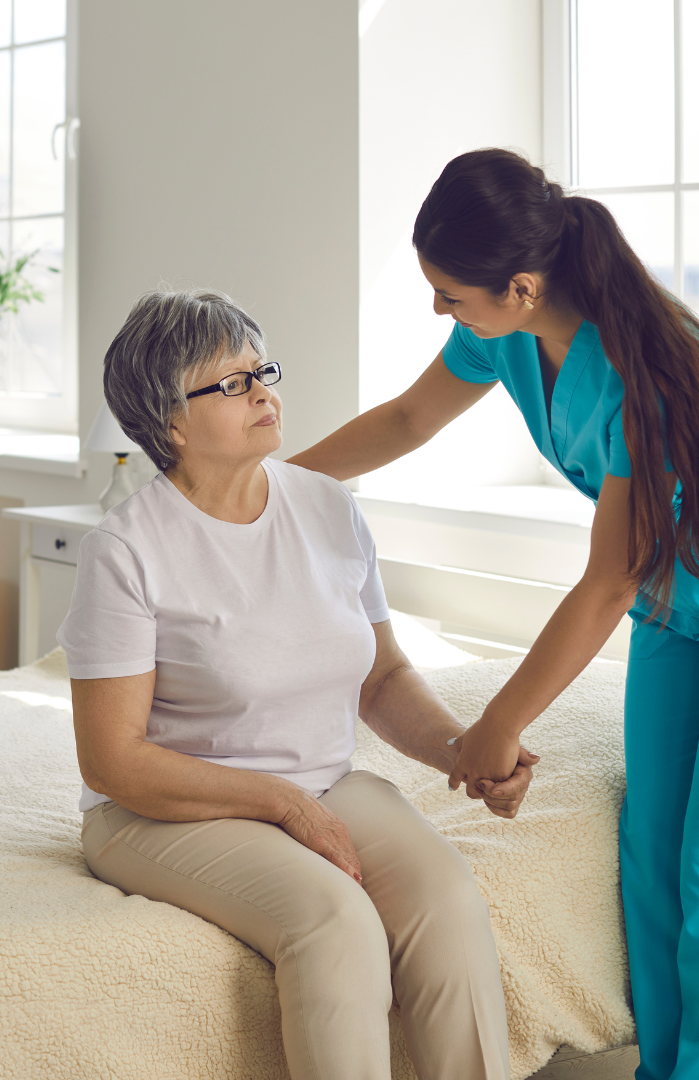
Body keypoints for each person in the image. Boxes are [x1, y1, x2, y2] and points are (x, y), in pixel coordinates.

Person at [290, 148, 699, 1080]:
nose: (440, 310)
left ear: (520, 285)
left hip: (652, 587)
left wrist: (499, 725)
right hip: (677, 613)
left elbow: (605, 579)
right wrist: (275, 488)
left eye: (450, 294)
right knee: (649, 858)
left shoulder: (654, 368)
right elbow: (404, 421)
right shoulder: (505, 334)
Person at [59, 289, 537, 1080]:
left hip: (323, 782)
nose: (265, 393)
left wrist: (464, 749)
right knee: (336, 921)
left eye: (263, 371)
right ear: (169, 422)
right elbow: (112, 762)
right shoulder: (126, 550)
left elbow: (381, 679)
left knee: (447, 896)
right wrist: (281, 804)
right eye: (233, 383)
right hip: (160, 812)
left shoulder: (327, 507)